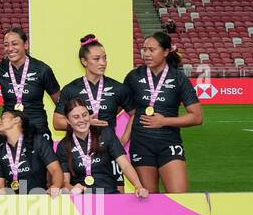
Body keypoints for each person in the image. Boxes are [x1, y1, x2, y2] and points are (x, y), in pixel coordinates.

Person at [121, 32, 203, 194]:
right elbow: (119, 108)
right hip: (141, 144)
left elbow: (197, 116)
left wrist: (164, 121)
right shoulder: (134, 76)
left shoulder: (179, 78)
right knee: (148, 199)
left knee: (180, 198)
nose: (146, 54)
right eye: (144, 49)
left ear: (165, 52)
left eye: (152, 50)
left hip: (169, 143)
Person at [56, 97, 146, 196]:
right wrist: (72, 188)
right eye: (76, 117)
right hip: (83, 198)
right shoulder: (63, 146)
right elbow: (65, 182)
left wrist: (138, 186)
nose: (82, 120)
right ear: (68, 121)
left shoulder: (106, 134)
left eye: (84, 115)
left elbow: (125, 165)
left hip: (109, 195)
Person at [0, 27, 60, 137]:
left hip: (37, 130)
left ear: (25, 45)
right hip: (9, 130)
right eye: (6, 45)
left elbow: (60, 103)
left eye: (14, 44)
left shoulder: (42, 69)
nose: (10, 48)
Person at [53, 34, 132, 134]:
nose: (103, 63)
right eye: (96, 59)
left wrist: (123, 140)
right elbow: (57, 122)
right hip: (80, 143)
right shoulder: (70, 89)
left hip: (109, 143)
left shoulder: (118, 88)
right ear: (84, 61)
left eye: (104, 58)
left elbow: (135, 114)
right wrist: (84, 122)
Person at [0, 107, 63, 195]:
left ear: (16, 120)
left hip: (40, 198)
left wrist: (56, 186)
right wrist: (3, 194)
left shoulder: (38, 142)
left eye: (2, 118)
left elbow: (56, 170)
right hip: (14, 201)